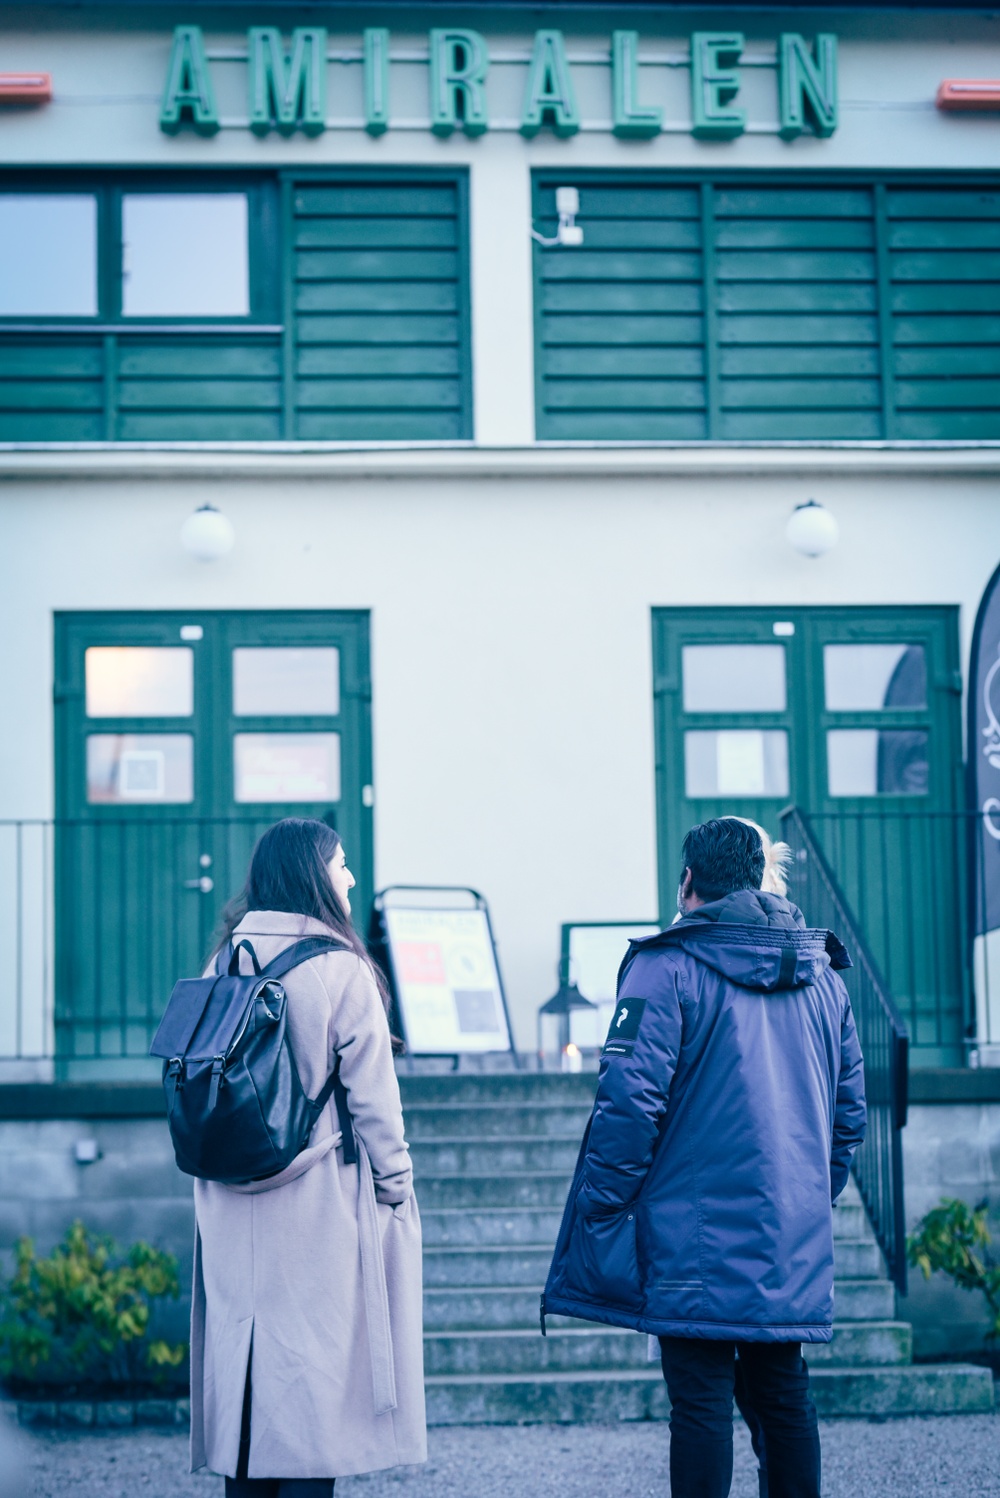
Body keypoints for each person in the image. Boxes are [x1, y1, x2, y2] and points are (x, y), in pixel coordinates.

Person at [542, 817, 866, 1498]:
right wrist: (808, 1196)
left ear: (688, 882)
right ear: (756, 879)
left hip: (692, 1235)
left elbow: (628, 1104)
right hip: (789, 1232)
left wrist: (606, 1204)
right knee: (784, 1393)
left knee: (699, 1401)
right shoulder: (824, 977)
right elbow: (849, 1117)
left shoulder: (666, 966)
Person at [189, 818, 426, 1497]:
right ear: (313, 875)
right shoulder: (341, 968)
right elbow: (377, 1105)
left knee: (246, 1395)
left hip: (230, 1199)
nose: (350, 877)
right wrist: (396, 1188)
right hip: (317, 1201)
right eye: (341, 864)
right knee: (315, 1399)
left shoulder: (222, 961)